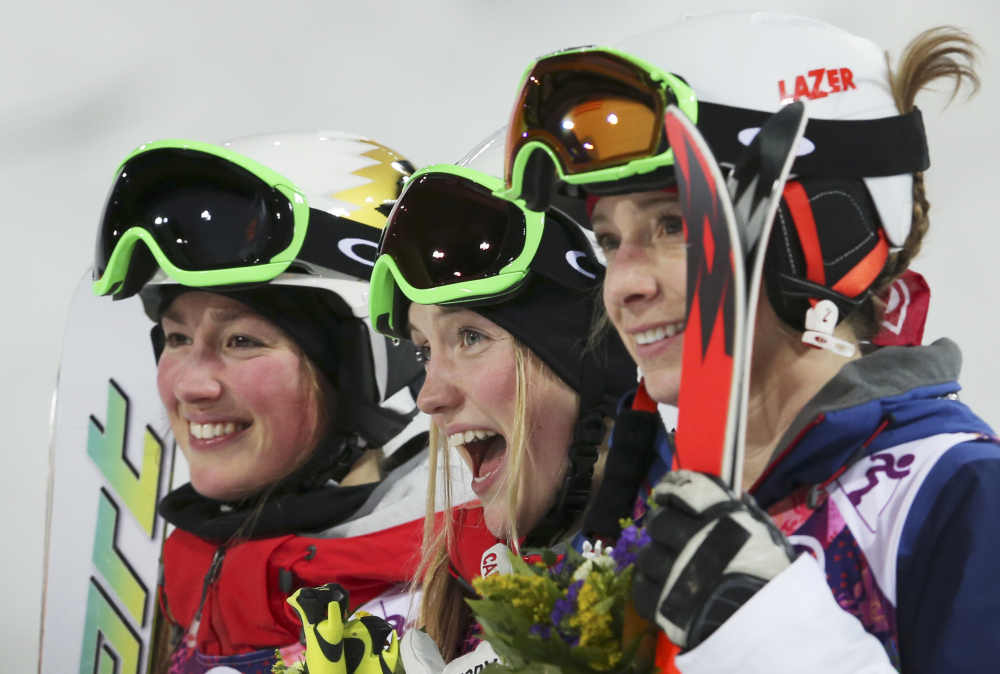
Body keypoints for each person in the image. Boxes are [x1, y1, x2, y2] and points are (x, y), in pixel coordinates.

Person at [501, 11, 996, 673]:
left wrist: (785, 647)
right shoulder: (644, 495)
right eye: (610, 241)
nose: (622, 285)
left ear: (824, 235)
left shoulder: (959, 496)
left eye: (672, 224)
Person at [92, 131, 439, 674]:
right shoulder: (183, 574)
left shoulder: (460, 585)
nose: (190, 387)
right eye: (177, 338)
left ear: (365, 363)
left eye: (242, 341)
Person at [367, 157, 636, 661]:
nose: (428, 397)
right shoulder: (455, 598)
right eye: (425, 351)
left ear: (596, 363)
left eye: (470, 337)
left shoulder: (704, 566)